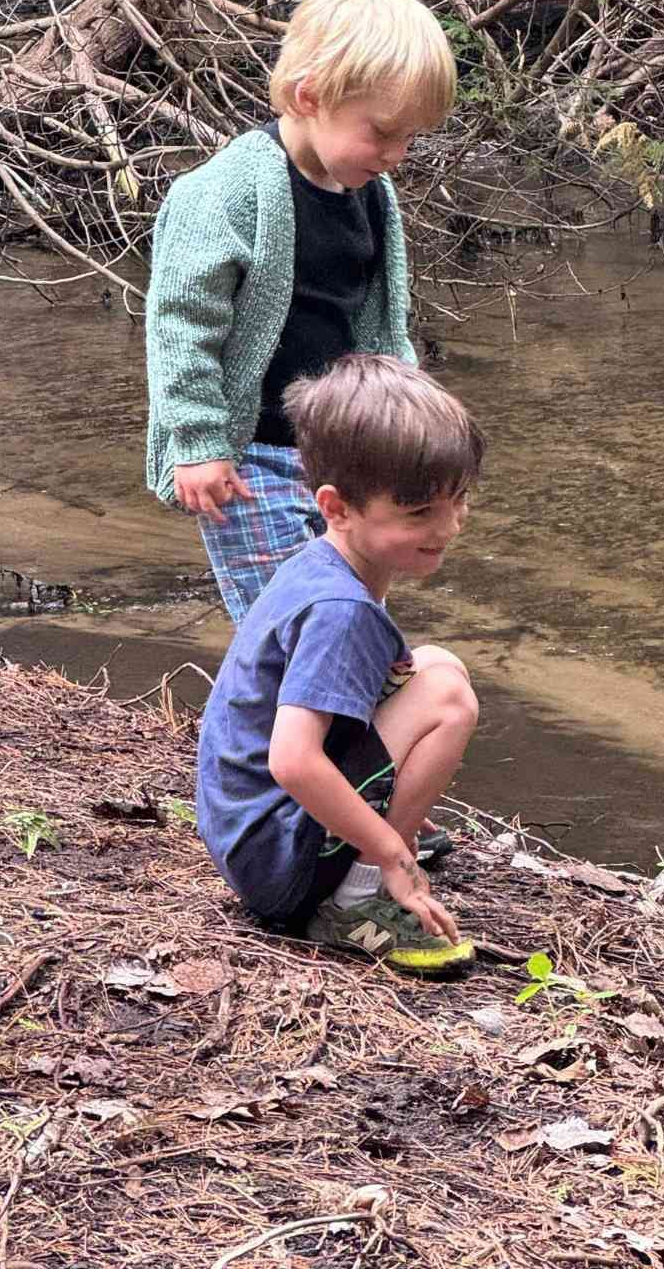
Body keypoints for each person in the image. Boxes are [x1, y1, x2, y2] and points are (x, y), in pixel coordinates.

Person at [145, 0, 456, 627]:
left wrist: (407, 428)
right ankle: (279, 727)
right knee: (292, 622)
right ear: (309, 95)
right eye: (383, 133)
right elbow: (182, 327)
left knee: (350, 612)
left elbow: (380, 327)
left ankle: (342, 720)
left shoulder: (370, 193)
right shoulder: (225, 194)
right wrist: (199, 443)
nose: (397, 155)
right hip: (248, 458)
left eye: (410, 140)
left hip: (341, 459)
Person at [196, 354, 482, 977]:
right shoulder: (340, 610)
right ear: (337, 506)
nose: (449, 527)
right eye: (419, 513)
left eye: (458, 500)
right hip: (275, 864)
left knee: (435, 665)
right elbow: (292, 759)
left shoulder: (323, 563)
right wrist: (389, 854)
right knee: (449, 701)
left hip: (247, 834)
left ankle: (369, 841)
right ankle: (354, 899)